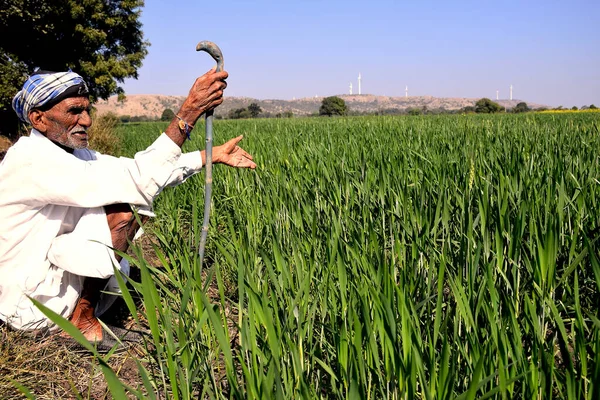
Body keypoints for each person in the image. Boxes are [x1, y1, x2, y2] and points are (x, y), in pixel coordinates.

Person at [0, 69, 256, 347]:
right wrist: (190, 111)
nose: (86, 120)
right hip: (31, 306)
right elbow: (137, 180)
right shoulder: (30, 162)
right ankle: (81, 322)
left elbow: (135, 171)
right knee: (127, 204)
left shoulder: (75, 155)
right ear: (39, 119)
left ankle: (82, 312)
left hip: (57, 284)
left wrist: (209, 156)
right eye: (74, 111)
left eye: (87, 110)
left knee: (128, 193)